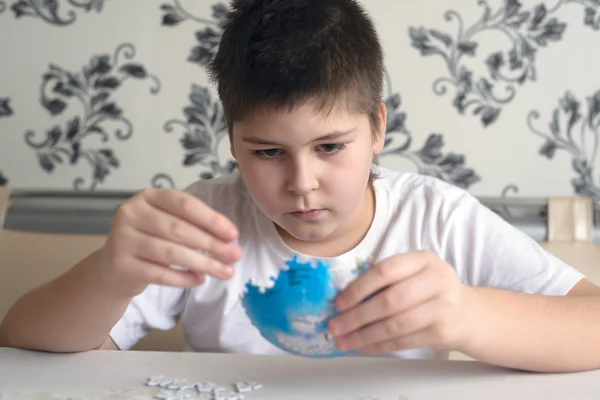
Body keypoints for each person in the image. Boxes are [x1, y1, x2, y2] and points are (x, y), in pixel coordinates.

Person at [2, 0, 600, 373]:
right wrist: (110, 274)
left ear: (378, 127)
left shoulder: (437, 219)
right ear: (231, 142)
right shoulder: (206, 222)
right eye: (267, 152)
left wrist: (469, 315)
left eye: (331, 147)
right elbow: (23, 344)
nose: (302, 184)